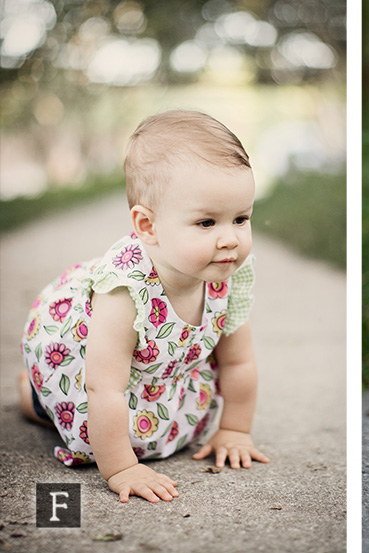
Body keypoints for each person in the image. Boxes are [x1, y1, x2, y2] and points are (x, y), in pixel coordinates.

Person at [18, 110, 269, 504]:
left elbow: (238, 363)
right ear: (148, 226)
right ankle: (32, 395)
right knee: (64, 418)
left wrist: (235, 430)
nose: (230, 239)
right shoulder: (125, 291)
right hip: (95, 376)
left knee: (175, 425)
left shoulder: (228, 277)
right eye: (206, 223)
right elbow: (104, 387)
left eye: (241, 218)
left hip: (165, 382)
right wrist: (121, 467)